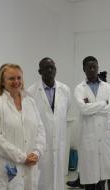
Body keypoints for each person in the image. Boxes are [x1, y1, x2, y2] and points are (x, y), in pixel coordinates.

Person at [0, 64, 46, 190]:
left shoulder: (30, 102)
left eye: (19, 78)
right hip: (5, 169)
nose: (16, 81)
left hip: (29, 166)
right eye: (11, 78)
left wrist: (37, 152)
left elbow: (40, 130)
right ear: (2, 82)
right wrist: (22, 157)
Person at [27, 57, 71, 190]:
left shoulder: (65, 89)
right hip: (40, 144)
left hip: (59, 141)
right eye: (47, 68)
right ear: (40, 71)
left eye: (53, 67)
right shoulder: (31, 92)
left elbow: (65, 110)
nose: (50, 70)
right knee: (42, 180)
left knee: (58, 179)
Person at [74, 56, 110, 190]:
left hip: (104, 135)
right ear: (84, 69)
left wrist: (92, 106)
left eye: (94, 67)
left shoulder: (107, 87)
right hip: (89, 136)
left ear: (98, 68)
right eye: (89, 67)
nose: (92, 69)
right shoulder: (80, 88)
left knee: (104, 176)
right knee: (90, 178)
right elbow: (83, 109)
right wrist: (104, 103)